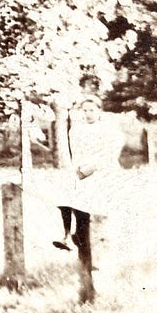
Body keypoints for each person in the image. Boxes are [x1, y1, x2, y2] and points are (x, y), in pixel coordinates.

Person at [53, 100, 125, 252]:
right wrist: (77, 169)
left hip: (102, 171)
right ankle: (66, 236)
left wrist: (89, 169)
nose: (88, 114)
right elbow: (76, 152)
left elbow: (110, 154)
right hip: (82, 171)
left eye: (91, 110)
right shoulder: (77, 129)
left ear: (100, 110)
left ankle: (95, 242)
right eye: (84, 111)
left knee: (93, 209)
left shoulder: (109, 129)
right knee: (64, 196)